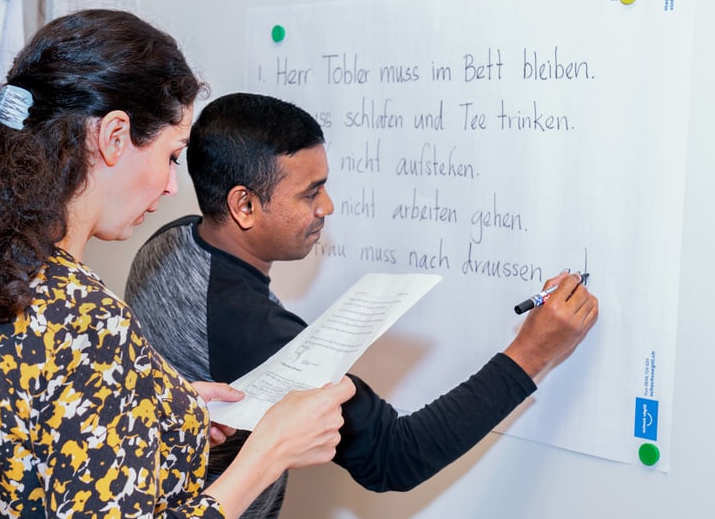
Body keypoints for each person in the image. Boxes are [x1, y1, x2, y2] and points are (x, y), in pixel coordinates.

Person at [0, 12, 355, 518]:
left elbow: (39, 424)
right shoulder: (83, 321)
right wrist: (267, 452)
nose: (169, 186)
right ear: (115, 136)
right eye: (171, 156)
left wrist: (161, 406)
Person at [125, 92, 599, 518]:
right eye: (310, 192)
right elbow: (395, 457)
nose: (327, 206)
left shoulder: (171, 240)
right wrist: (532, 353)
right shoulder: (249, 329)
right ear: (243, 206)